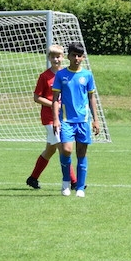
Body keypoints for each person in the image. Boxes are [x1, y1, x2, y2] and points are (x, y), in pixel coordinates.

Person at [52, 41, 101, 197]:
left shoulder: (87, 75)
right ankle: (66, 182)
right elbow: (55, 99)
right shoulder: (61, 75)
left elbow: (91, 98)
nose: (77, 58)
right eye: (74, 55)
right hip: (66, 120)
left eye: (79, 56)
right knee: (67, 150)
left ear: (83, 57)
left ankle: (80, 188)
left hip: (83, 120)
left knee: (81, 153)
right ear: (68, 56)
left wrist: (96, 119)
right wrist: (55, 119)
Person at [27, 45, 75, 189]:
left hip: (63, 117)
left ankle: (33, 178)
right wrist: (54, 104)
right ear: (49, 58)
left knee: (50, 149)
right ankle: (74, 182)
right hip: (49, 118)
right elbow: (37, 97)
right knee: (63, 147)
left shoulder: (66, 74)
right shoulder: (44, 76)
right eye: (53, 57)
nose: (56, 59)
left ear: (63, 58)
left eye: (58, 56)